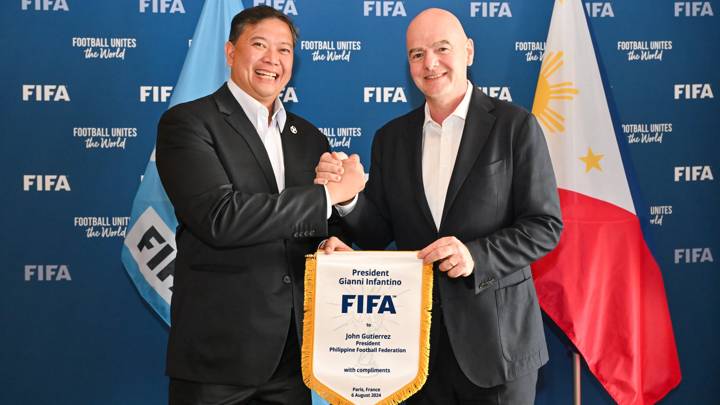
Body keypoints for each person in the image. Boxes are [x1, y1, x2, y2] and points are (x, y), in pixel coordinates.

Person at [316, 8, 562, 404]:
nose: (429, 63)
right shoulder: (391, 138)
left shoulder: (515, 126)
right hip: (414, 353)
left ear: (468, 51)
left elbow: (544, 224)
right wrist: (346, 201)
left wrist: (475, 255)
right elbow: (378, 231)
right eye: (416, 53)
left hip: (497, 349)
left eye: (441, 48)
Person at [156, 6, 365, 405]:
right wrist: (326, 197)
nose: (273, 59)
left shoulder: (309, 137)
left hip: (291, 357)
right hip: (216, 360)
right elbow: (220, 218)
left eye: (284, 50)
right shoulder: (188, 123)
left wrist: (328, 243)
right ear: (231, 52)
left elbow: (310, 223)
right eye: (260, 45)